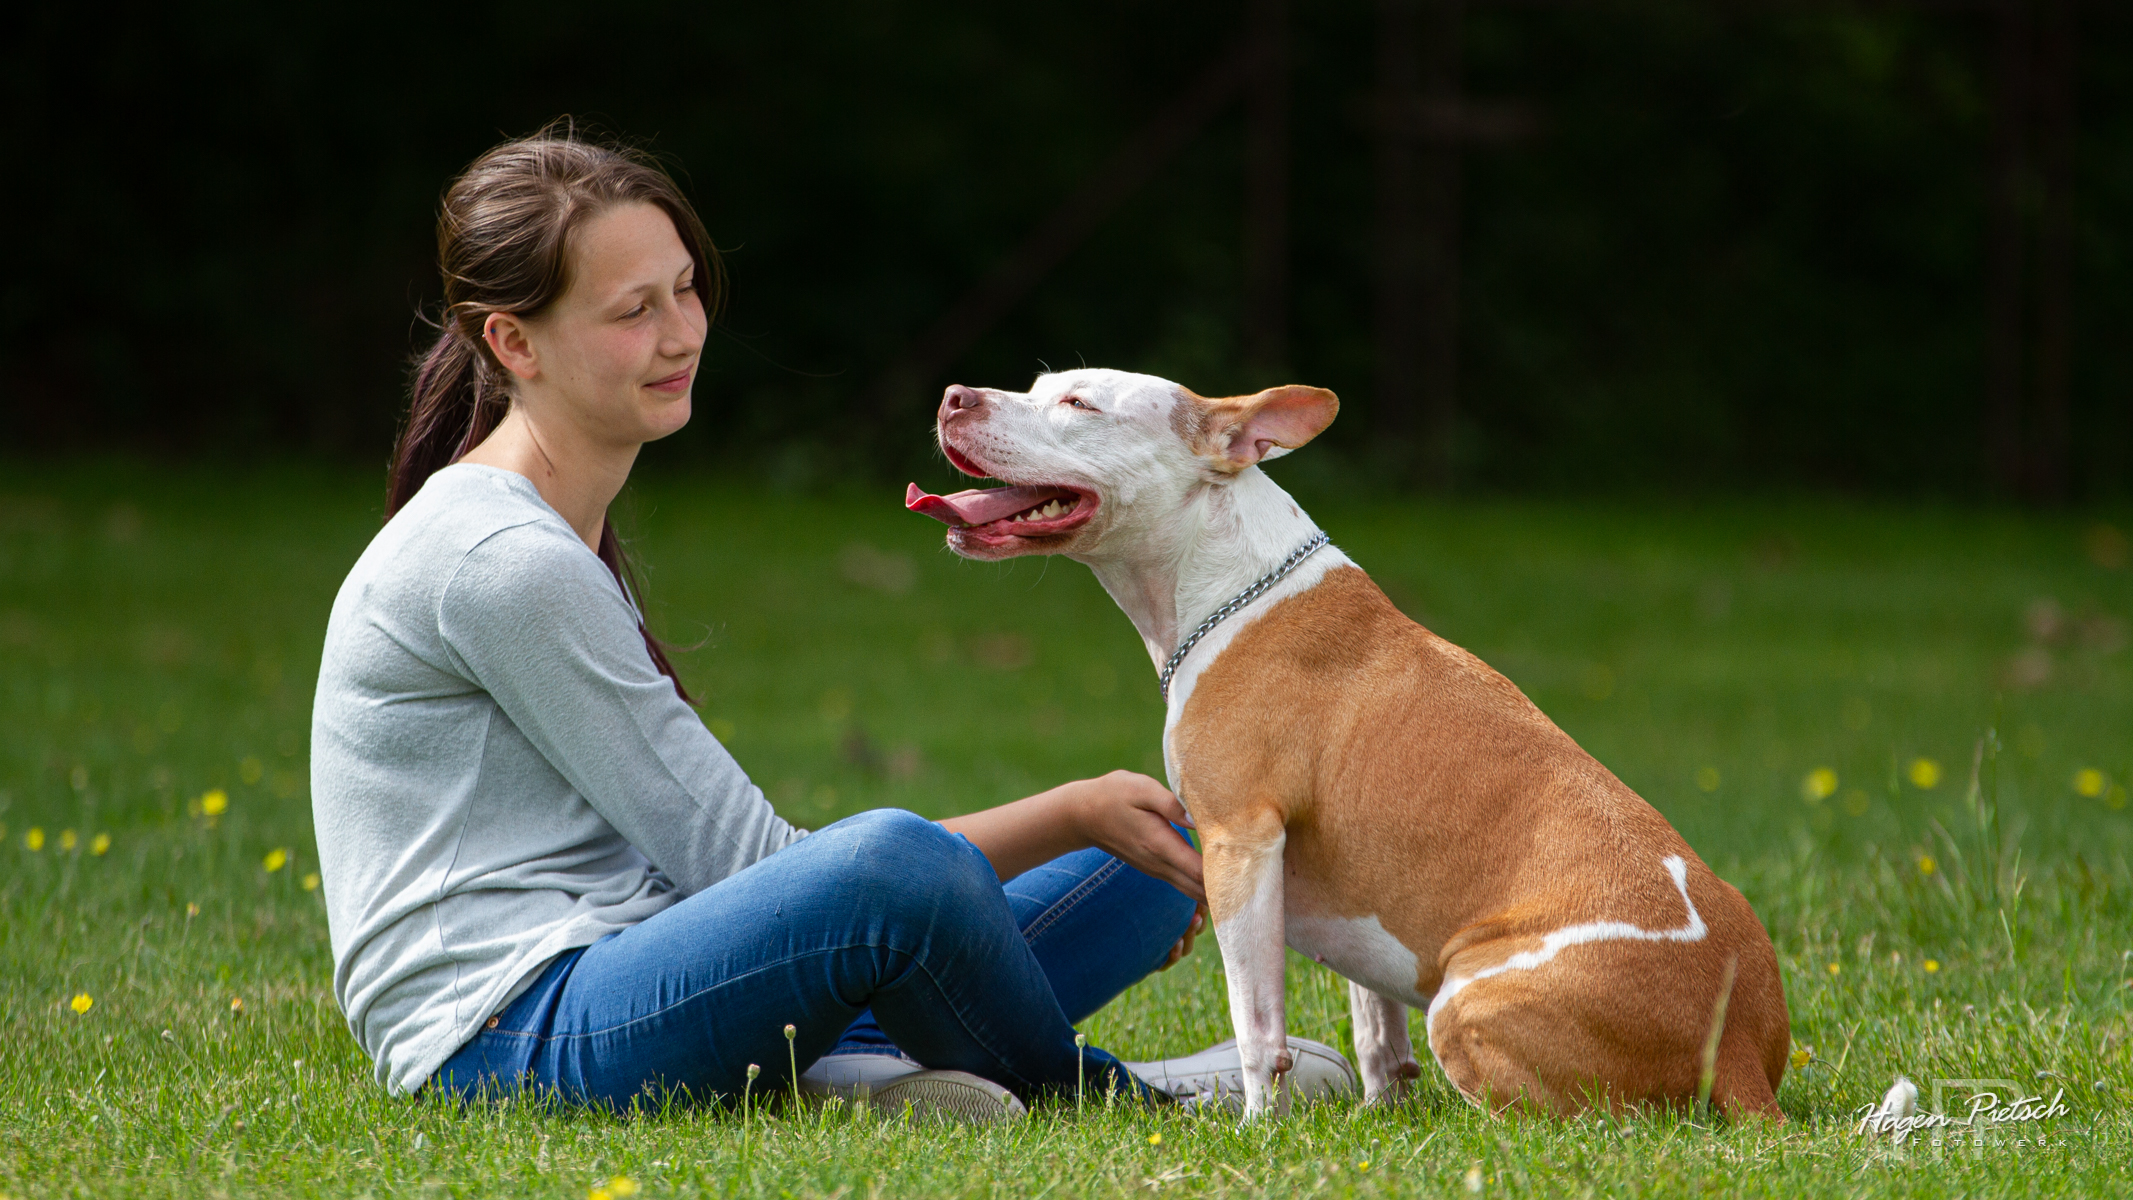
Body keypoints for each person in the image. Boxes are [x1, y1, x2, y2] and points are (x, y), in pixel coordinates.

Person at [309, 125, 1353, 1120]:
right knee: (892, 867)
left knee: (1160, 855)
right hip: (508, 1034)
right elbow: (759, 866)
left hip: (645, 964)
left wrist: (1086, 820)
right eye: (632, 312)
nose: (679, 334)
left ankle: (843, 1069)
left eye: (684, 291)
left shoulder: (546, 526)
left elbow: (760, 890)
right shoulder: (503, 562)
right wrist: (1061, 811)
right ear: (512, 341)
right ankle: (1126, 1092)